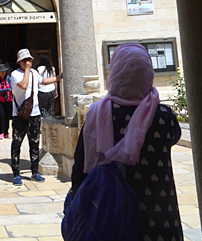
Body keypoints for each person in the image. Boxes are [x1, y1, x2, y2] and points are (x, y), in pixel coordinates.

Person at [69, 43, 183, 240]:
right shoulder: (164, 116)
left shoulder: (98, 114)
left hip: (110, 220)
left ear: (116, 73)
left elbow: (80, 168)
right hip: (160, 219)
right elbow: (174, 137)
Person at [10, 48, 63, 185]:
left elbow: (44, 81)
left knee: (34, 143)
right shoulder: (15, 74)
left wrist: (59, 77)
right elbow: (24, 85)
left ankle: (35, 171)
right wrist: (27, 70)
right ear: (20, 62)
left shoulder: (34, 73)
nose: (28, 62)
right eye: (25, 60)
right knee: (17, 143)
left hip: (34, 114)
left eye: (29, 60)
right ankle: (16, 174)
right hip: (20, 115)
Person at [0, 63, 12, 139]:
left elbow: (12, 87)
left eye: (4, 71)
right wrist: (7, 90)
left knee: (7, 116)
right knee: (1, 116)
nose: (3, 73)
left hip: (8, 100)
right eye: (1, 71)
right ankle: (1, 132)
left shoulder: (9, 79)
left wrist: (6, 90)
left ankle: (6, 132)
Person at [36, 54, 57, 119]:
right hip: (52, 90)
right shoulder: (52, 68)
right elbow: (55, 80)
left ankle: (47, 122)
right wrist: (56, 91)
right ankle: (50, 121)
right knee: (50, 108)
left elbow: (37, 81)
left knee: (43, 108)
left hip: (42, 91)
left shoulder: (39, 69)